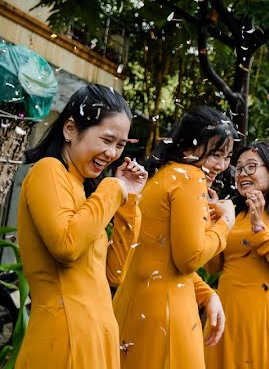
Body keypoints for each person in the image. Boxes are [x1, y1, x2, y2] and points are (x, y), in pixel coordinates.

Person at [16, 85, 147, 368]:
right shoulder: (48, 171)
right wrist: (114, 187)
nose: (113, 153)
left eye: (121, 145)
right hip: (64, 339)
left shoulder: (83, 193)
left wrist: (129, 201)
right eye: (107, 139)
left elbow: (115, 274)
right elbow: (66, 245)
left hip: (96, 340)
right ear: (70, 129)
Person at [113, 106, 237, 368]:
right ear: (187, 147)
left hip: (133, 306)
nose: (221, 165)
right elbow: (188, 259)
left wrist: (206, 294)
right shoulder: (190, 177)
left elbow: (161, 257)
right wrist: (226, 223)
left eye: (227, 157)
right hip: (166, 314)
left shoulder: (159, 175)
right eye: (215, 154)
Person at [203, 141, 269, 369]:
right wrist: (212, 223)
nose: (242, 173)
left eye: (251, 167)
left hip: (264, 315)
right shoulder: (232, 210)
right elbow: (212, 267)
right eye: (239, 168)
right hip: (227, 310)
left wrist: (259, 228)